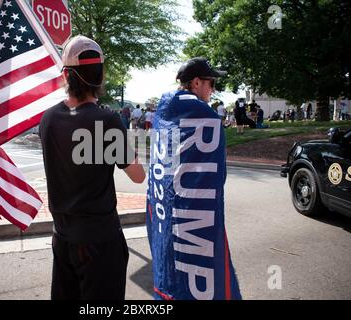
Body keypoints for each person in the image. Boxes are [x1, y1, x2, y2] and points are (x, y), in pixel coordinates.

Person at [39, 35, 145, 300]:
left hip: (62, 237)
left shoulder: (48, 119)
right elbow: (137, 175)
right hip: (99, 240)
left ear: (66, 75)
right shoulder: (107, 120)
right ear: (100, 75)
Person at [146, 57, 241, 300]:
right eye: (211, 83)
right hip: (194, 219)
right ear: (196, 82)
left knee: (171, 267)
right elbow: (215, 176)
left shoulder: (163, 110)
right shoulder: (203, 114)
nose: (214, 89)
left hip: (167, 216)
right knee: (200, 276)